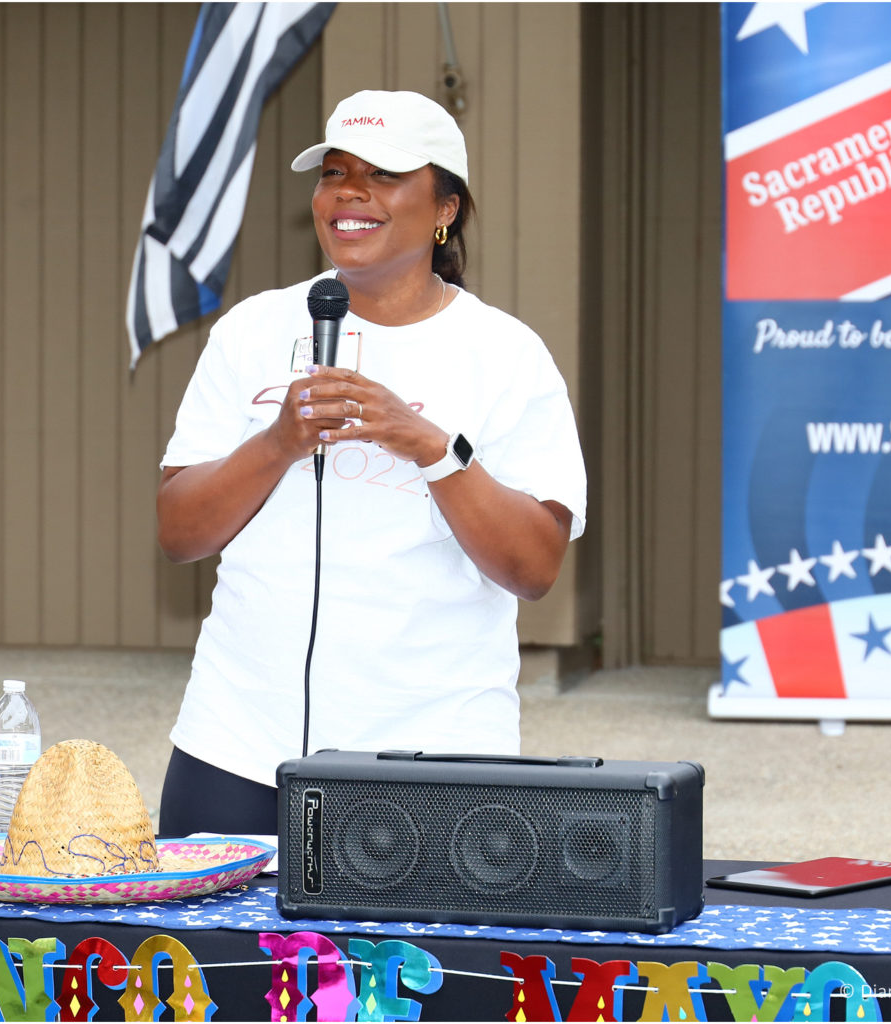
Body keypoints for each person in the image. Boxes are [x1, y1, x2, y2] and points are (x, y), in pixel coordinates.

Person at [155, 90, 587, 837]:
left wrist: (430, 447)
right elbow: (179, 533)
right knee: (220, 923)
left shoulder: (505, 353)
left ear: (445, 207)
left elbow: (534, 567)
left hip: (434, 752)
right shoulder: (252, 331)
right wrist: (277, 443)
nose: (349, 192)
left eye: (383, 174)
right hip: (236, 742)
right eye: (334, 173)